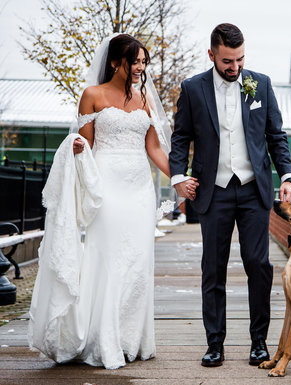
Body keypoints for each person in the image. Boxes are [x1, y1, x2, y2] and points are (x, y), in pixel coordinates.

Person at [28, 34, 197, 370]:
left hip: (138, 190)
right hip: (106, 187)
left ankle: (128, 339)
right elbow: (85, 145)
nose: (140, 68)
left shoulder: (144, 97)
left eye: (144, 62)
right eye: (135, 61)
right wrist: (76, 148)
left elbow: (154, 149)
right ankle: (99, 339)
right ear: (116, 61)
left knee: (136, 262)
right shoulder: (92, 95)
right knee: (106, 259)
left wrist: (178, 180)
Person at [169, 23, 291, 367]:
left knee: (259, 265)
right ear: (211, 55)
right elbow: (180, 138)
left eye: (240, 59)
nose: (235, 67)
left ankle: (259, 343)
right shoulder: (192, 88)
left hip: (254, 190)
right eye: (227, 60)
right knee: (213, 268)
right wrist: (179, 176)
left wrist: (287, 175)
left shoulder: (261, 84)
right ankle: (215, 344)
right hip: (214, 190)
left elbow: (275, 135)